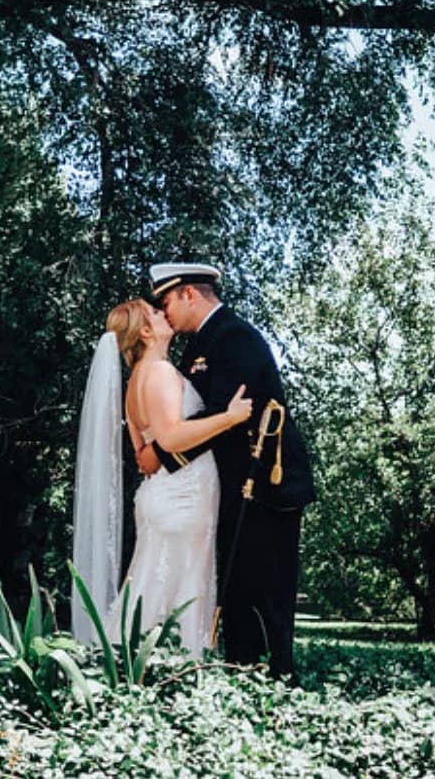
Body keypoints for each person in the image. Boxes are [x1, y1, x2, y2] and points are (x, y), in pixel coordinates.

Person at [136, 263, 315, 677]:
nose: (165, 314)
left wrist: (162, 456)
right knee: (236, 583)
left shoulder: (234, 338)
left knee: (266, 584)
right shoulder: (201, 344)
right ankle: (243, 668)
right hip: (232, 483)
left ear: (189, 295)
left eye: (166, 302)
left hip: (266, 481)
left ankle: (277, 675)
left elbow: (225, 416)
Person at [72, 299, 252, 657]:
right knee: (181, 585)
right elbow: (170, 438)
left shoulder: (136, 382)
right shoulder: (159, 373)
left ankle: (124, 659)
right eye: (155, 313)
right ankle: (180, 665)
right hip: (183, 496)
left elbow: (145, 454)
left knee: (151, 583)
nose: (163, 314)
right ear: (145, 330)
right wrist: (230, 418)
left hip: (162, 494)